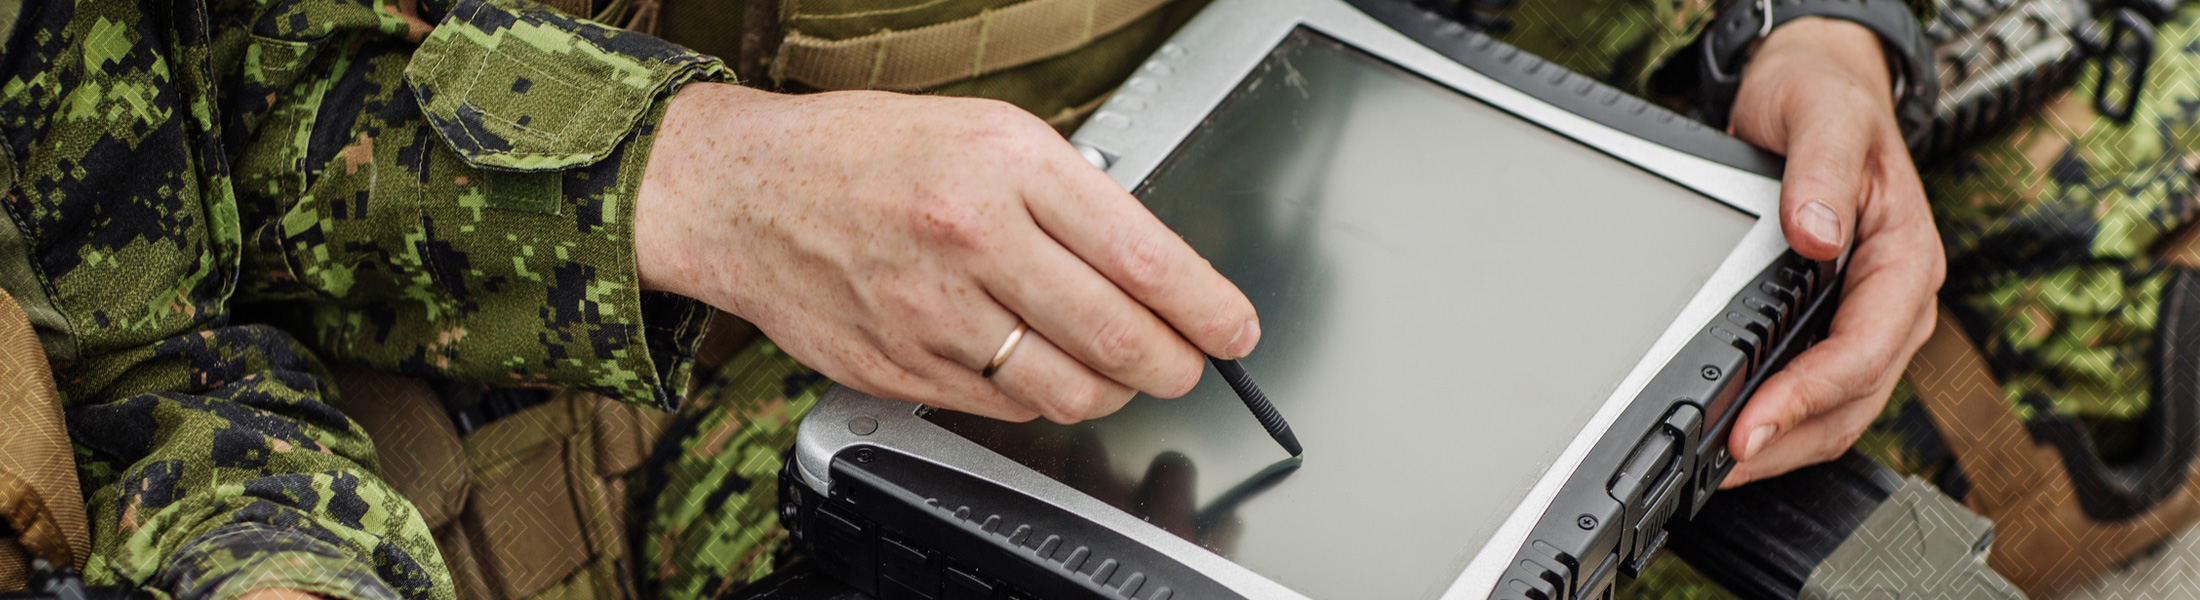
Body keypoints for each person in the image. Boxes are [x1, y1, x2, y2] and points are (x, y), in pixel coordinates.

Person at [26, 0, 2145, 595]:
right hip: (622, 357)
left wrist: (1815, 28)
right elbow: (111, 197)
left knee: (2120, 180)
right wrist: (689, 171)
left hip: (1347, 139)